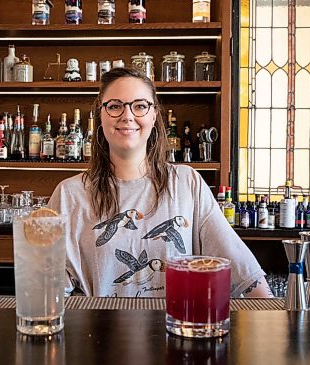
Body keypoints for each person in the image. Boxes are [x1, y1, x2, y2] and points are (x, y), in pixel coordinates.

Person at [48, 67, 273, 298]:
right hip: (99, 333)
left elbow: (244, 274)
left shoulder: (187, 184)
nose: (127, 115)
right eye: (115, 105)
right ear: (100, 115)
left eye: (140, 105)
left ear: (154, 115)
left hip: (178, 330)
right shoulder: (70, 194)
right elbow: (50, 291)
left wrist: (274, 323)